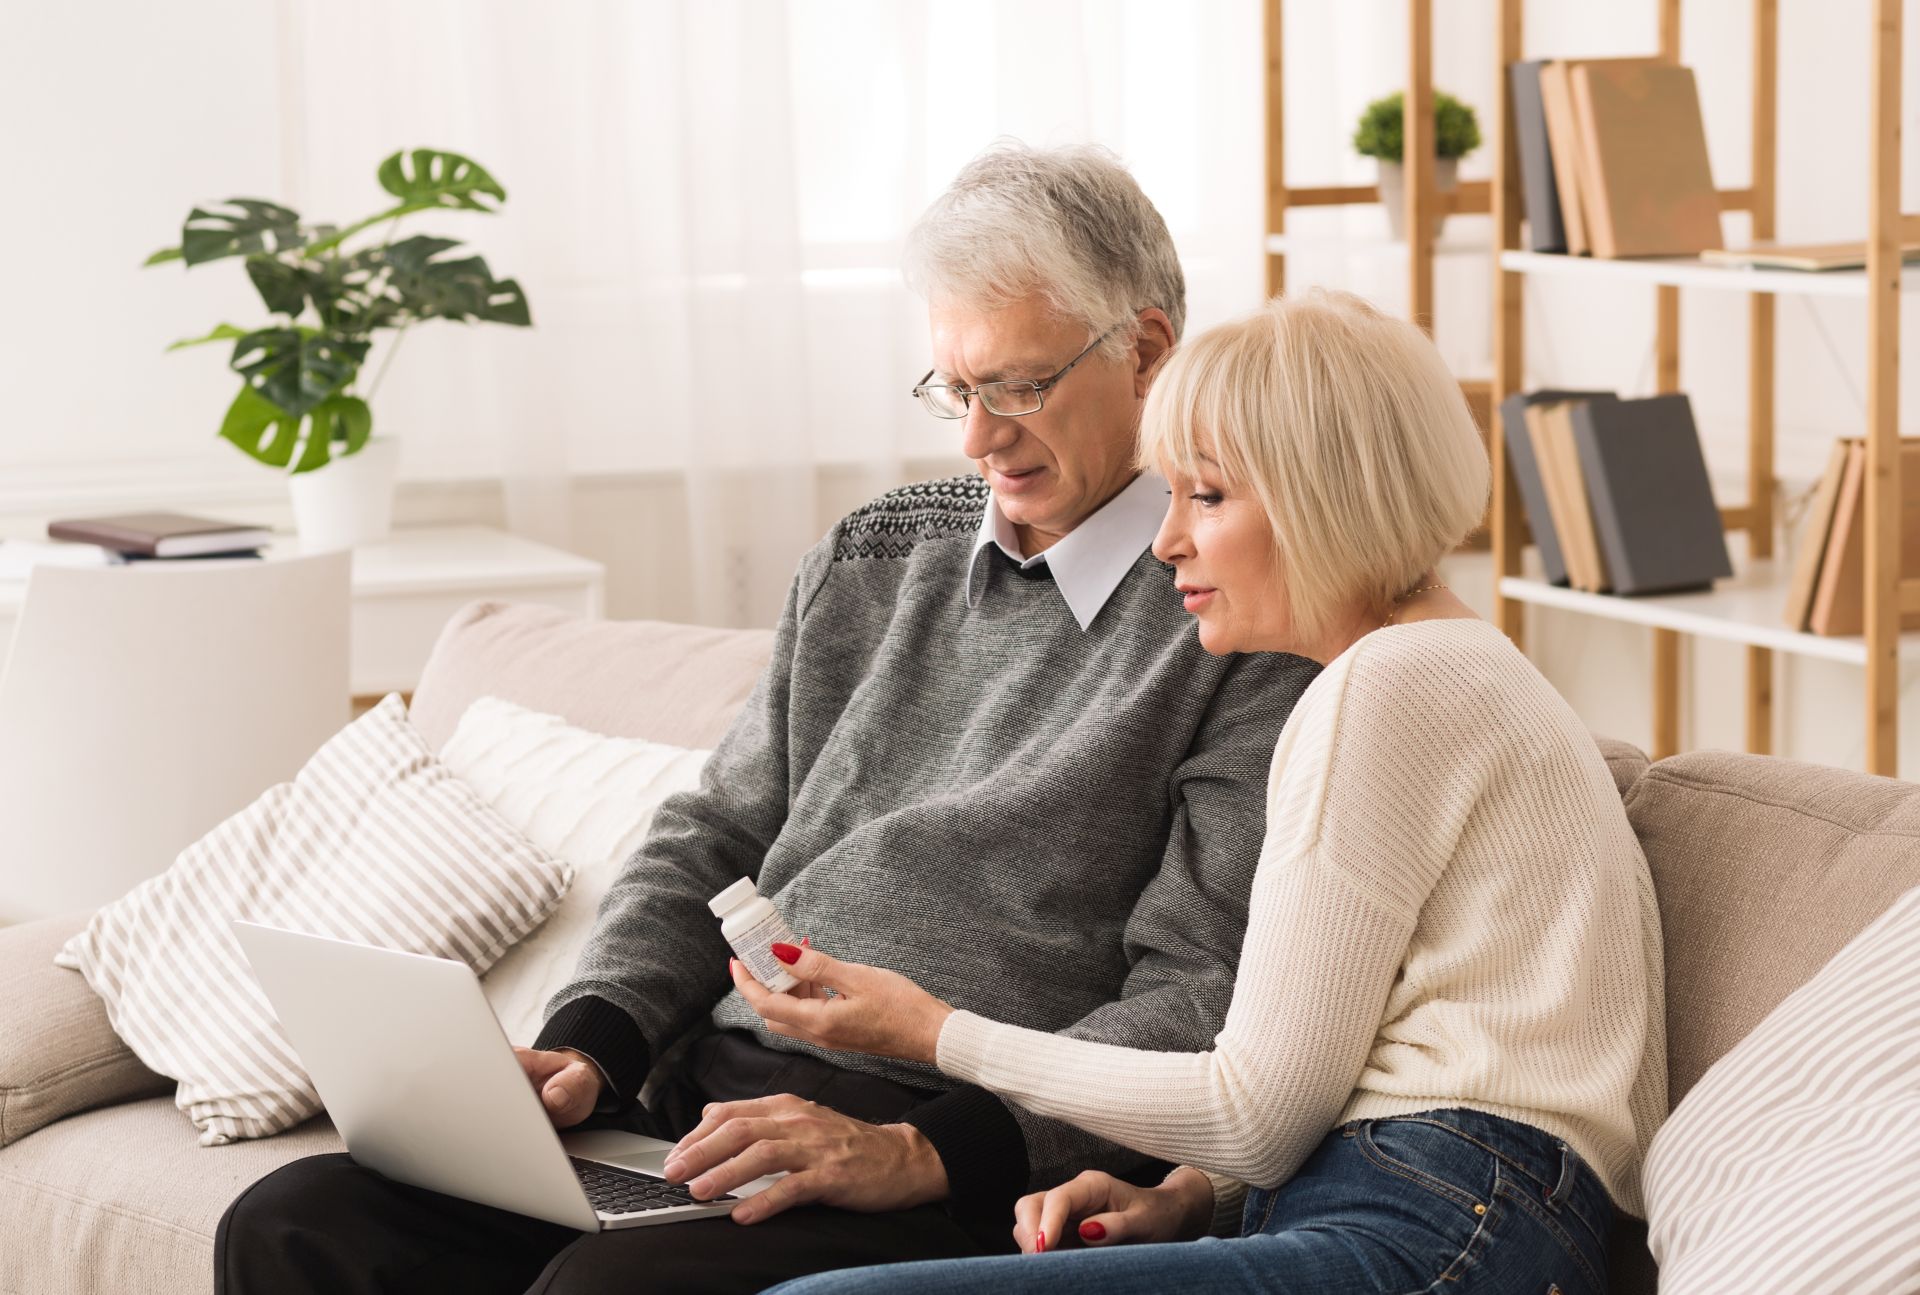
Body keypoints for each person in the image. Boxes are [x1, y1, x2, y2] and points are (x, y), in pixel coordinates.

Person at [213, 143, 1320, 1295]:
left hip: (947, 1148)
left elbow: (1197, 991)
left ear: (1145, 349)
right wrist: (595, 1041)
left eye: (1021, 385)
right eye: (956, 388)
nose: (978, 437)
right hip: (704, 1105)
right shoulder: (875, 551)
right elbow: (716, 832)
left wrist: (924, 1150)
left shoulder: (1243, 610)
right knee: (296, 1223)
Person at [738, 290, 1669, 1295]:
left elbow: (1256, 1109)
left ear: (1329, 496)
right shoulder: (1456, 671)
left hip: (1439, 1218)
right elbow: (1328, 1071)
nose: (1166, 539)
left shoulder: (1383, 685)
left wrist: (933, 1031)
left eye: (1208, 497)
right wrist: (1193, 1197)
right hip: (1449, 1214)